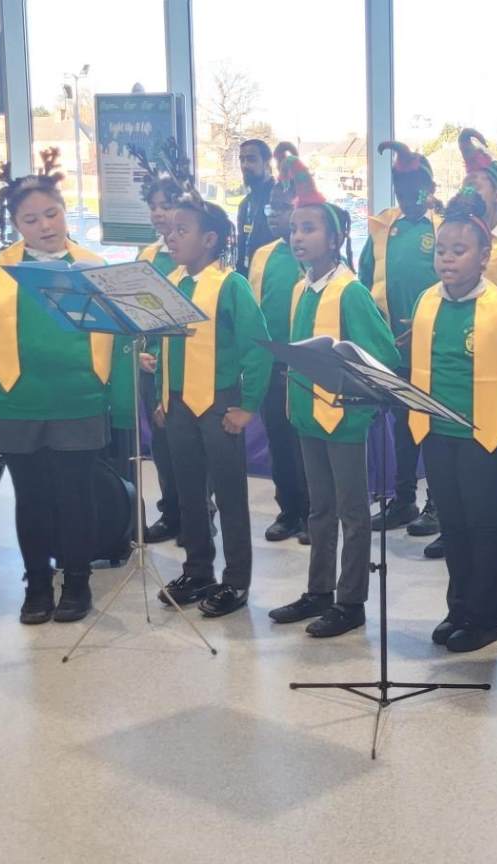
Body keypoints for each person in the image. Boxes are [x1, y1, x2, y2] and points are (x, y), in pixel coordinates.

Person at [0, 160, 133, 626]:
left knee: (78, 496)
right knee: (31, 498)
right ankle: (36, 583)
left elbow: (122, 342)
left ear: (65, 210)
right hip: (18, 403)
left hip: (80, 400)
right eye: (31, 220)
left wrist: (122, 406)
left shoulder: (95, 268)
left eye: (52, 214)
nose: (45, 226)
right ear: (16, 225)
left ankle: (77, 582)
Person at [269, 153, 400, 639]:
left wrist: (350, 381)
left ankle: (351, 600)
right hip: (308, 414)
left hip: (343, 418)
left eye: (308, 228)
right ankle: (318, 590)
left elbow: (382, 354)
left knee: (352, 511)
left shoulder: (349, 292)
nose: (297, 237)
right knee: (318, 508)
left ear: (336, 237)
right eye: (294, 229)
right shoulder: (301, 290)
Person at [409, 188, 497, 653]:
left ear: (484, 256)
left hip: (486, 437)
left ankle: (485, 619)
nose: (447, 259)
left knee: (484, 529)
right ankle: (458, 608)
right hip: (437, 432)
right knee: (455, 528)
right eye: (441, 250)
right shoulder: (427, 302)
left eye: (459, 251)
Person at [146, 195, 271, 619]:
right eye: (170, 230)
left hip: (219, 404)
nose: (171, 237)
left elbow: (257, 346)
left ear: (210, 239)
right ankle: (198, 571)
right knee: (188, 492)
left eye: (182, 230)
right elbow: (162, 343)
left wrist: (248, 406)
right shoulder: (171, 283)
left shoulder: (230, 285)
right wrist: (162, 394)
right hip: (178, 404)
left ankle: (236, 580)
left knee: (230, 494)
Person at [361, 141, 442, 533]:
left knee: (434, 428)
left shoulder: (442, 226)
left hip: (434, 347)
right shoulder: (383, 228)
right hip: (391, 349)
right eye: (401, 189)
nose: (408, 196)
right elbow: (364, 284)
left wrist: (426, 326)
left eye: (415, 188)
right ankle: (404, 499)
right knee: (403, 426)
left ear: (430, 187)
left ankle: (437, 504)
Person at [247, 143, 311, 544]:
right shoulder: (262, 255)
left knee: (306, 444)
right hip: (272, 364)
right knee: (280, 441)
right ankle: (288, 510)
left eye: (282, 208)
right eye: (270, 207)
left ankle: (314, 513)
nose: (273, 214)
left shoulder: (313, 253)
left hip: (306, 365)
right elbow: (255, 309)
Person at [136, 165, 194, 546]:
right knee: (162, 445)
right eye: (154, 206)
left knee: (188, 447)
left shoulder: (193, 254)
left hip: (185, 364)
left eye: (167, 204)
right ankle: (171, 512)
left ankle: (197, 515)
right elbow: (138, 310)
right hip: (151, 365)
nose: (159, 213)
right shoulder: (147, 255)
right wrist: (142, 352)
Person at [235, 139, 278, 273]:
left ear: (266, 163)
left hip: (273, 274)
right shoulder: (245, 204)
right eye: (242, 160)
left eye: (251, 159)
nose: (245, 165)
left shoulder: (280, 201)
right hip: (248, 275)